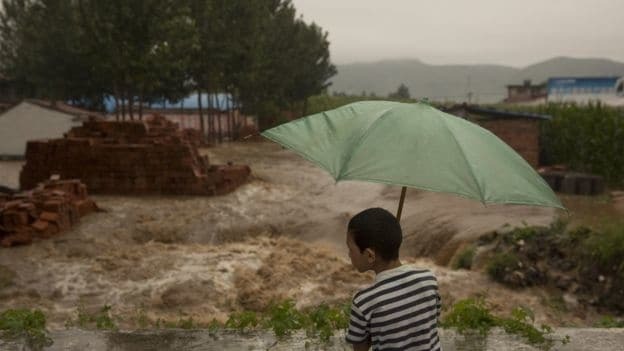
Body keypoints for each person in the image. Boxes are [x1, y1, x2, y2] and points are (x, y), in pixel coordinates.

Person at [345, 208, 442, 351]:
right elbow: (431, 319)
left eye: (350, 249)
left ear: (370, 256)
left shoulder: (364, 302)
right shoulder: (428, 279)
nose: (349, 254)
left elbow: (360, 348)